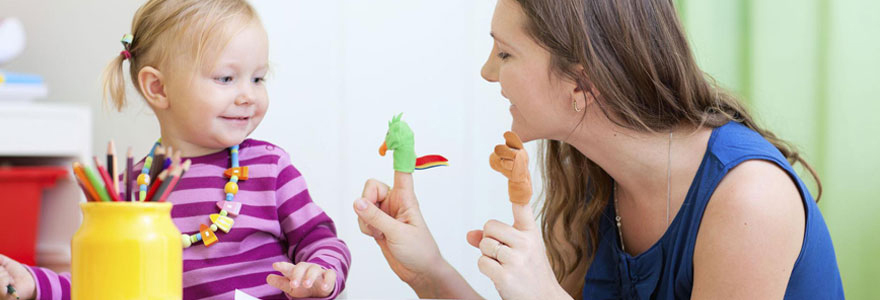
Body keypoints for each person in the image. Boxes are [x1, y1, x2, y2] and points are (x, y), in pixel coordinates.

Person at [352, 0, 844, 299]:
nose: (487, 72)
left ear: (582, 82)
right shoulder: (587, 175)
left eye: (506, 53)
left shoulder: (749, 200)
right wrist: (428, 271)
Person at [0, 0, 350, 299]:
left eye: (258, 78)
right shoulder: (128, 191)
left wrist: (320, 274)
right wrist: (34, 283)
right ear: (158, 88)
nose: (249, 95)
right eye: (226, 78)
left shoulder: (269, 168)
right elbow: (101, 282)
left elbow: (320, 238)